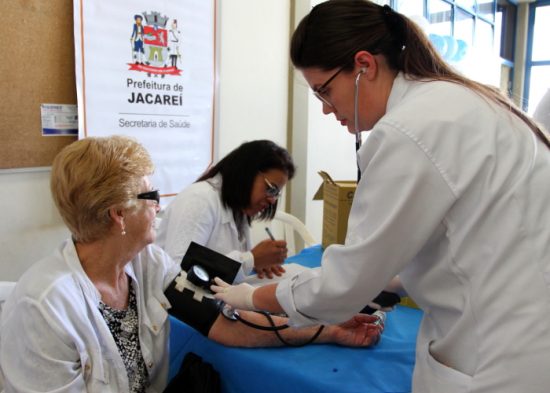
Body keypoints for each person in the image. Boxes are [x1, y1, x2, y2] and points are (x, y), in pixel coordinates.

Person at [211, 2, 550, 393]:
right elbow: (482, 234)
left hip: (499, 354)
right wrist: (397, 279)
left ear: (364, 66)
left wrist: (252, 298)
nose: (325, 109)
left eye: (325, 90)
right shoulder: (459, 103)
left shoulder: (411, 130)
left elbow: (342, 288)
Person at [0, 136, 382, 393]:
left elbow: (222, 322)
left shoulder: (146, 263)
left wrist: (324, 328)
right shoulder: (46, 308)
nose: (159, 205)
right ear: (118, 214)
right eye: (150, 196)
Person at [156, 140, 295, 281]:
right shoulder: (199, 200)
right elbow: (178, 273)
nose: (272, 200)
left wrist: (257, 262)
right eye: (271, 189)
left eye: (277, 193)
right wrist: (250, 260)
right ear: (247, 172)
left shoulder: (237, 206)